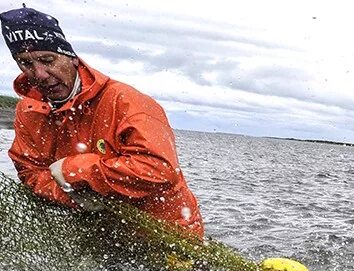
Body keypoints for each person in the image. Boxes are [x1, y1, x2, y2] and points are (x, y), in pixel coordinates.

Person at [1, 6, 203, 237]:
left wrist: (73, 171)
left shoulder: (127, 102)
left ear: (72, 58)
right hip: (102, 232)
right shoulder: (28, 111)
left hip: (171, 233)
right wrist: (71, 196)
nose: (40, 74)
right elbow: (30, 171)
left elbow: (159, 170)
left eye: (48, 60)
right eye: (25, 63)